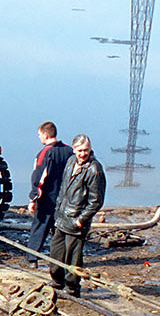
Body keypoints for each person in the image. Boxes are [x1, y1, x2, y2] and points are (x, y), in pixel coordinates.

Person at [50, 134, 106, 298]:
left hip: (76, 221)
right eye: (80, 150)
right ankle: (57, 282)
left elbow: (96, 201)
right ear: (74, 150)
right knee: (56, 251)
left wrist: (81, 219)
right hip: (61, 217)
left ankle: (72, 289)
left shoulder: (94, 169)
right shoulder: (70, 162)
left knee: (73, 258)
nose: (83, 154)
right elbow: (63, 188)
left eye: (86, 150)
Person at [24, 122, 73, 267]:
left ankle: (32, 259)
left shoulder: (46, 152)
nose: (39, 137)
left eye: (39, 134)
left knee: (39, 227)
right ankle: (61, 260)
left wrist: (33, 198)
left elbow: (38, 176)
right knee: (60, 230)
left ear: (45, 134)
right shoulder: (69, 151)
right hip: (64, 197)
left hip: (47, 197)